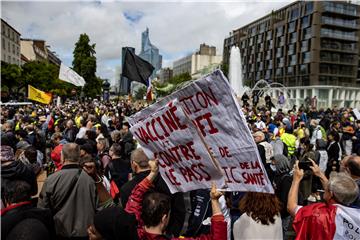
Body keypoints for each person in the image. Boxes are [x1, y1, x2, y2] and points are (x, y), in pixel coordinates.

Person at [125, 159, 227, 240]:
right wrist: (214, 201)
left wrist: (153, 173)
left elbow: (135, 197)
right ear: (164, 218)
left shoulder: (133, 232)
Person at [38, 143, 99, 239]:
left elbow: (42, 209)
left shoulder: (51, 180)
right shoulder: (90, 179)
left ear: (62, 157)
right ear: (79, 156)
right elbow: (99, 206)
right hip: (87, 233)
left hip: (61, 232)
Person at [287, 160, 359, 239]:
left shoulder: (319, 214)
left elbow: (292, 207)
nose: (325, 189)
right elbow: (336, 191)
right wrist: (320, 174)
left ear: (331, 194)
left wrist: (296, 180)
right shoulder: (356, 215)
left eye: (327, 189)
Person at [121, 148, 185, 237]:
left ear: (134, 164)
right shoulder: (171, 183)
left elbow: (128, 218)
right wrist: (173, 233)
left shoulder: (126, 189)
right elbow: (180, 211)